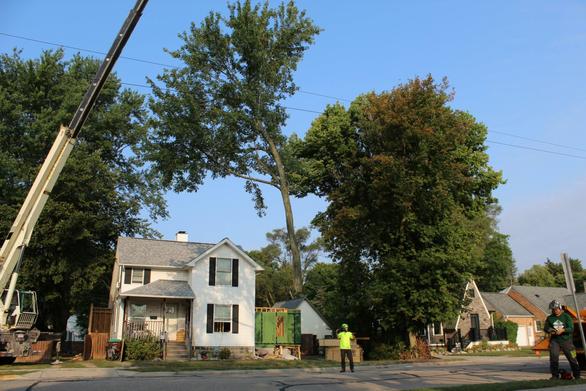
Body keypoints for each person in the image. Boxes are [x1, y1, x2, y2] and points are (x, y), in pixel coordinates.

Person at [544, 300, 580, 380]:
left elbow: (571, 328)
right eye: (553, 309)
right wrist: (550, 330)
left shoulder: (566, 316)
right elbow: (546, 328)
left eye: (556, 309)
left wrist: (563, 330)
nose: (555, 311)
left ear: (560, 308)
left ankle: (577, 376)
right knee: (553, 358)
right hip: (555, 341)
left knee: (572, 357)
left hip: (567, 340)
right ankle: (555, 376)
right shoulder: (550, 318)